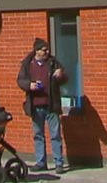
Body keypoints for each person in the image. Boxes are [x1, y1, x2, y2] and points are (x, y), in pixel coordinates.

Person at [17, 38, 68, 174]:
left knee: (55, 135)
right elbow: (20, 80)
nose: (47, 52)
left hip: (51, 105)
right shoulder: (28, 64)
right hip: (35, 105)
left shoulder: (52, 62)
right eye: (44, 50)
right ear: (37, 51)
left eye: (47, 49)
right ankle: (41, 162)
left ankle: (58, 163)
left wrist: (61, 75)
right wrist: (29, 85)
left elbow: (65, 79)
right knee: (38, 135)